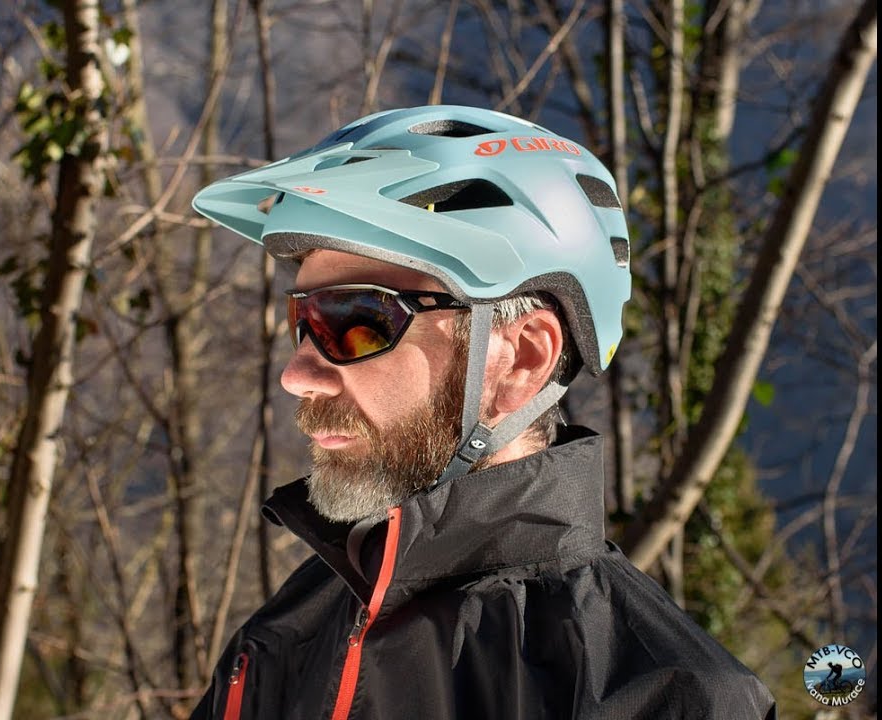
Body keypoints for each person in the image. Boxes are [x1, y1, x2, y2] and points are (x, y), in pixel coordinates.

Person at [188, 105, 777, 719]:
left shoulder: (661, 699)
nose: (296, 376)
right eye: (301, 320)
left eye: (355, 321)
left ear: (522, 358)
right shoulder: (287, 632)